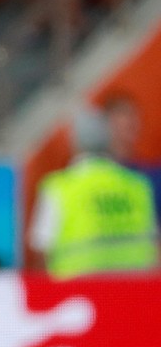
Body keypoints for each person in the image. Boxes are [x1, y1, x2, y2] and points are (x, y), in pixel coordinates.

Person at [28, 108, 160, 279]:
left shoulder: (59, 188)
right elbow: (156, 250)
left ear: (73, 143)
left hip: (79, 295)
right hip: (134, 296)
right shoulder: (138, 186)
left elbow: (41, 254)